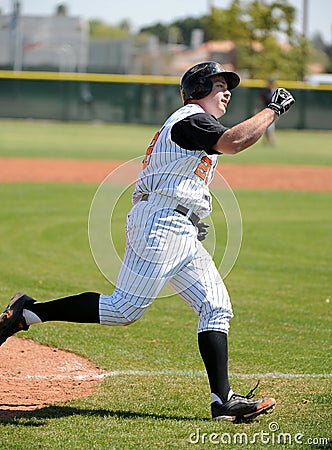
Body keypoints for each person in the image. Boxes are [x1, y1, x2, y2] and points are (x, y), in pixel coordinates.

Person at [0, 61, 295, 422]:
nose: (227, 92)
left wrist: (189, 214)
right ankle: (28, 311)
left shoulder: (195, 124)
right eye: (219, 85)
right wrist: (273, 109)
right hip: (161, 224)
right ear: (199, 89)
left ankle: (223, 402)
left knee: (216, 306)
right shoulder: (191, 118)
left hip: (177, 226)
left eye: (226, 86)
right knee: (123, 310)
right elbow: (233, 142)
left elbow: (178, 174)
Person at [260, 78, 277, 145]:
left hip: (274, 110)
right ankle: (269, 140)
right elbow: (261, 101)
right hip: (266, 109)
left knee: (270, 126)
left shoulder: (276, 91)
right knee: (267, 126)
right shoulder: (265, 91)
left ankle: (267, 140)